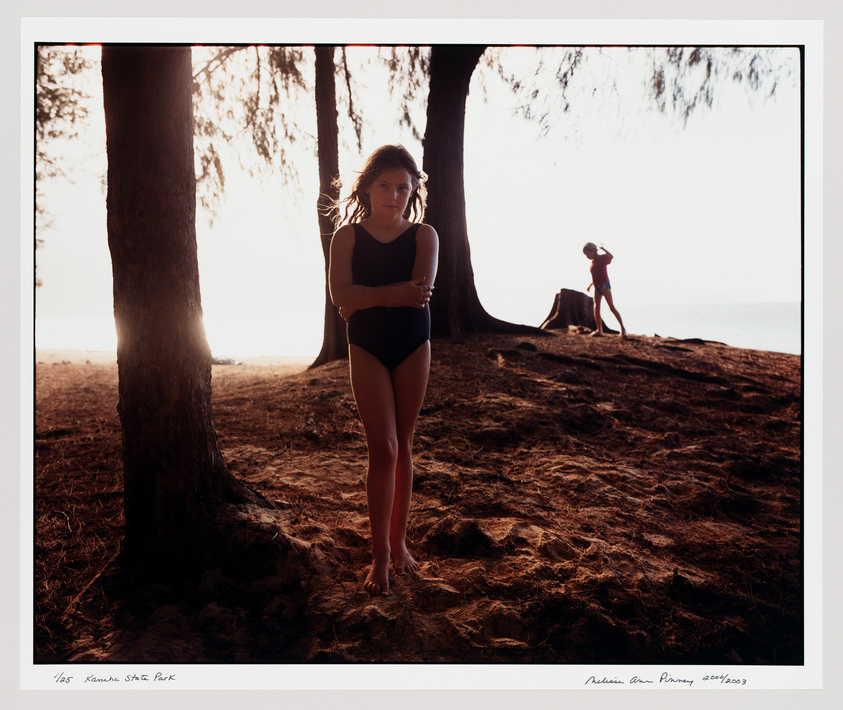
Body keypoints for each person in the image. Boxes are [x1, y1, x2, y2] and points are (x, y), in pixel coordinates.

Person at [328, 145, 439, 597]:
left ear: (412, 193)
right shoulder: (347, 238)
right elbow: (339, 295)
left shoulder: (425, 235)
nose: (393, 195)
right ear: (368, 187)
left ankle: (399, 543)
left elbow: (419, 292)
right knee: (384, 448)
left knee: (405, 444)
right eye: (384, 186)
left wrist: (366, 296)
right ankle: (379, 558)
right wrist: (391, 294)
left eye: (402, 188)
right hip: (368, 347)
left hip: (414, 345)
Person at [583, 242, 627, 338]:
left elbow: (611, 256)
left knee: (611, 307)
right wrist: (590, 285)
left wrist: (603, 249)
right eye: (586, 255)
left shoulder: (602, 258)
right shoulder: (593, 262)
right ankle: (599, 330)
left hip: (605, 286)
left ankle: (623, 329)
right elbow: (596, 275)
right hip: (596, 286)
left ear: (593, 251)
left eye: (588, 254)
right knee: (596, 309)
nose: (587, 256)